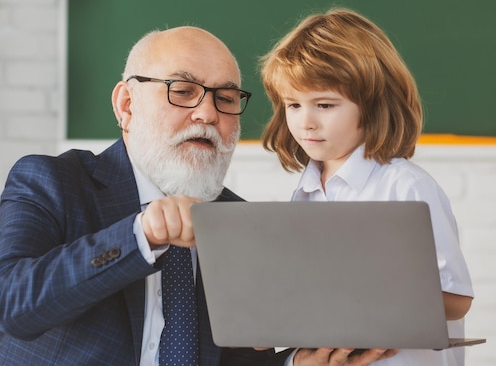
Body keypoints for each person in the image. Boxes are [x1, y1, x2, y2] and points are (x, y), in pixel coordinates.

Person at [0, 26, 293, 366]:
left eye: (225, 99)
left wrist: (292, 364)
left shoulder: (234, 218)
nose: (208, 114)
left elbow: (230, 358)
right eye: (183, 91)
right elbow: (11, 304)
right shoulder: (51, 181)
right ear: (126, 105)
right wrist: (141, 235)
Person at [260, 8, 475, 366]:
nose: (305, 122)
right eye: (293, 105)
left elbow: (456, 301)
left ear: (373, 106)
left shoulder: (405, 187)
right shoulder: (306, 192)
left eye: (325, 105)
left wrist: (356, 297)